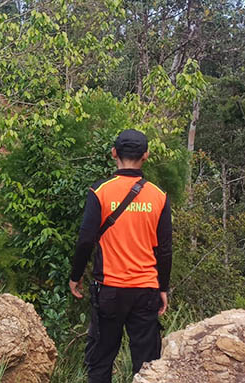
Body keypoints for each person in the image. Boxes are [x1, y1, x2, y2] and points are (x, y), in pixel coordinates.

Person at [69, 129, 172, 383]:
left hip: (109, 291)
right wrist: (163, 288)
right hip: (145, 291)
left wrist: (75, 275)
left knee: (101, 360)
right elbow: (165, 249)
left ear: (114, 153)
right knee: (147, 365)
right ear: (145, 155)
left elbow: (85, 240)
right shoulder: (159, 197)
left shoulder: (100, 192)